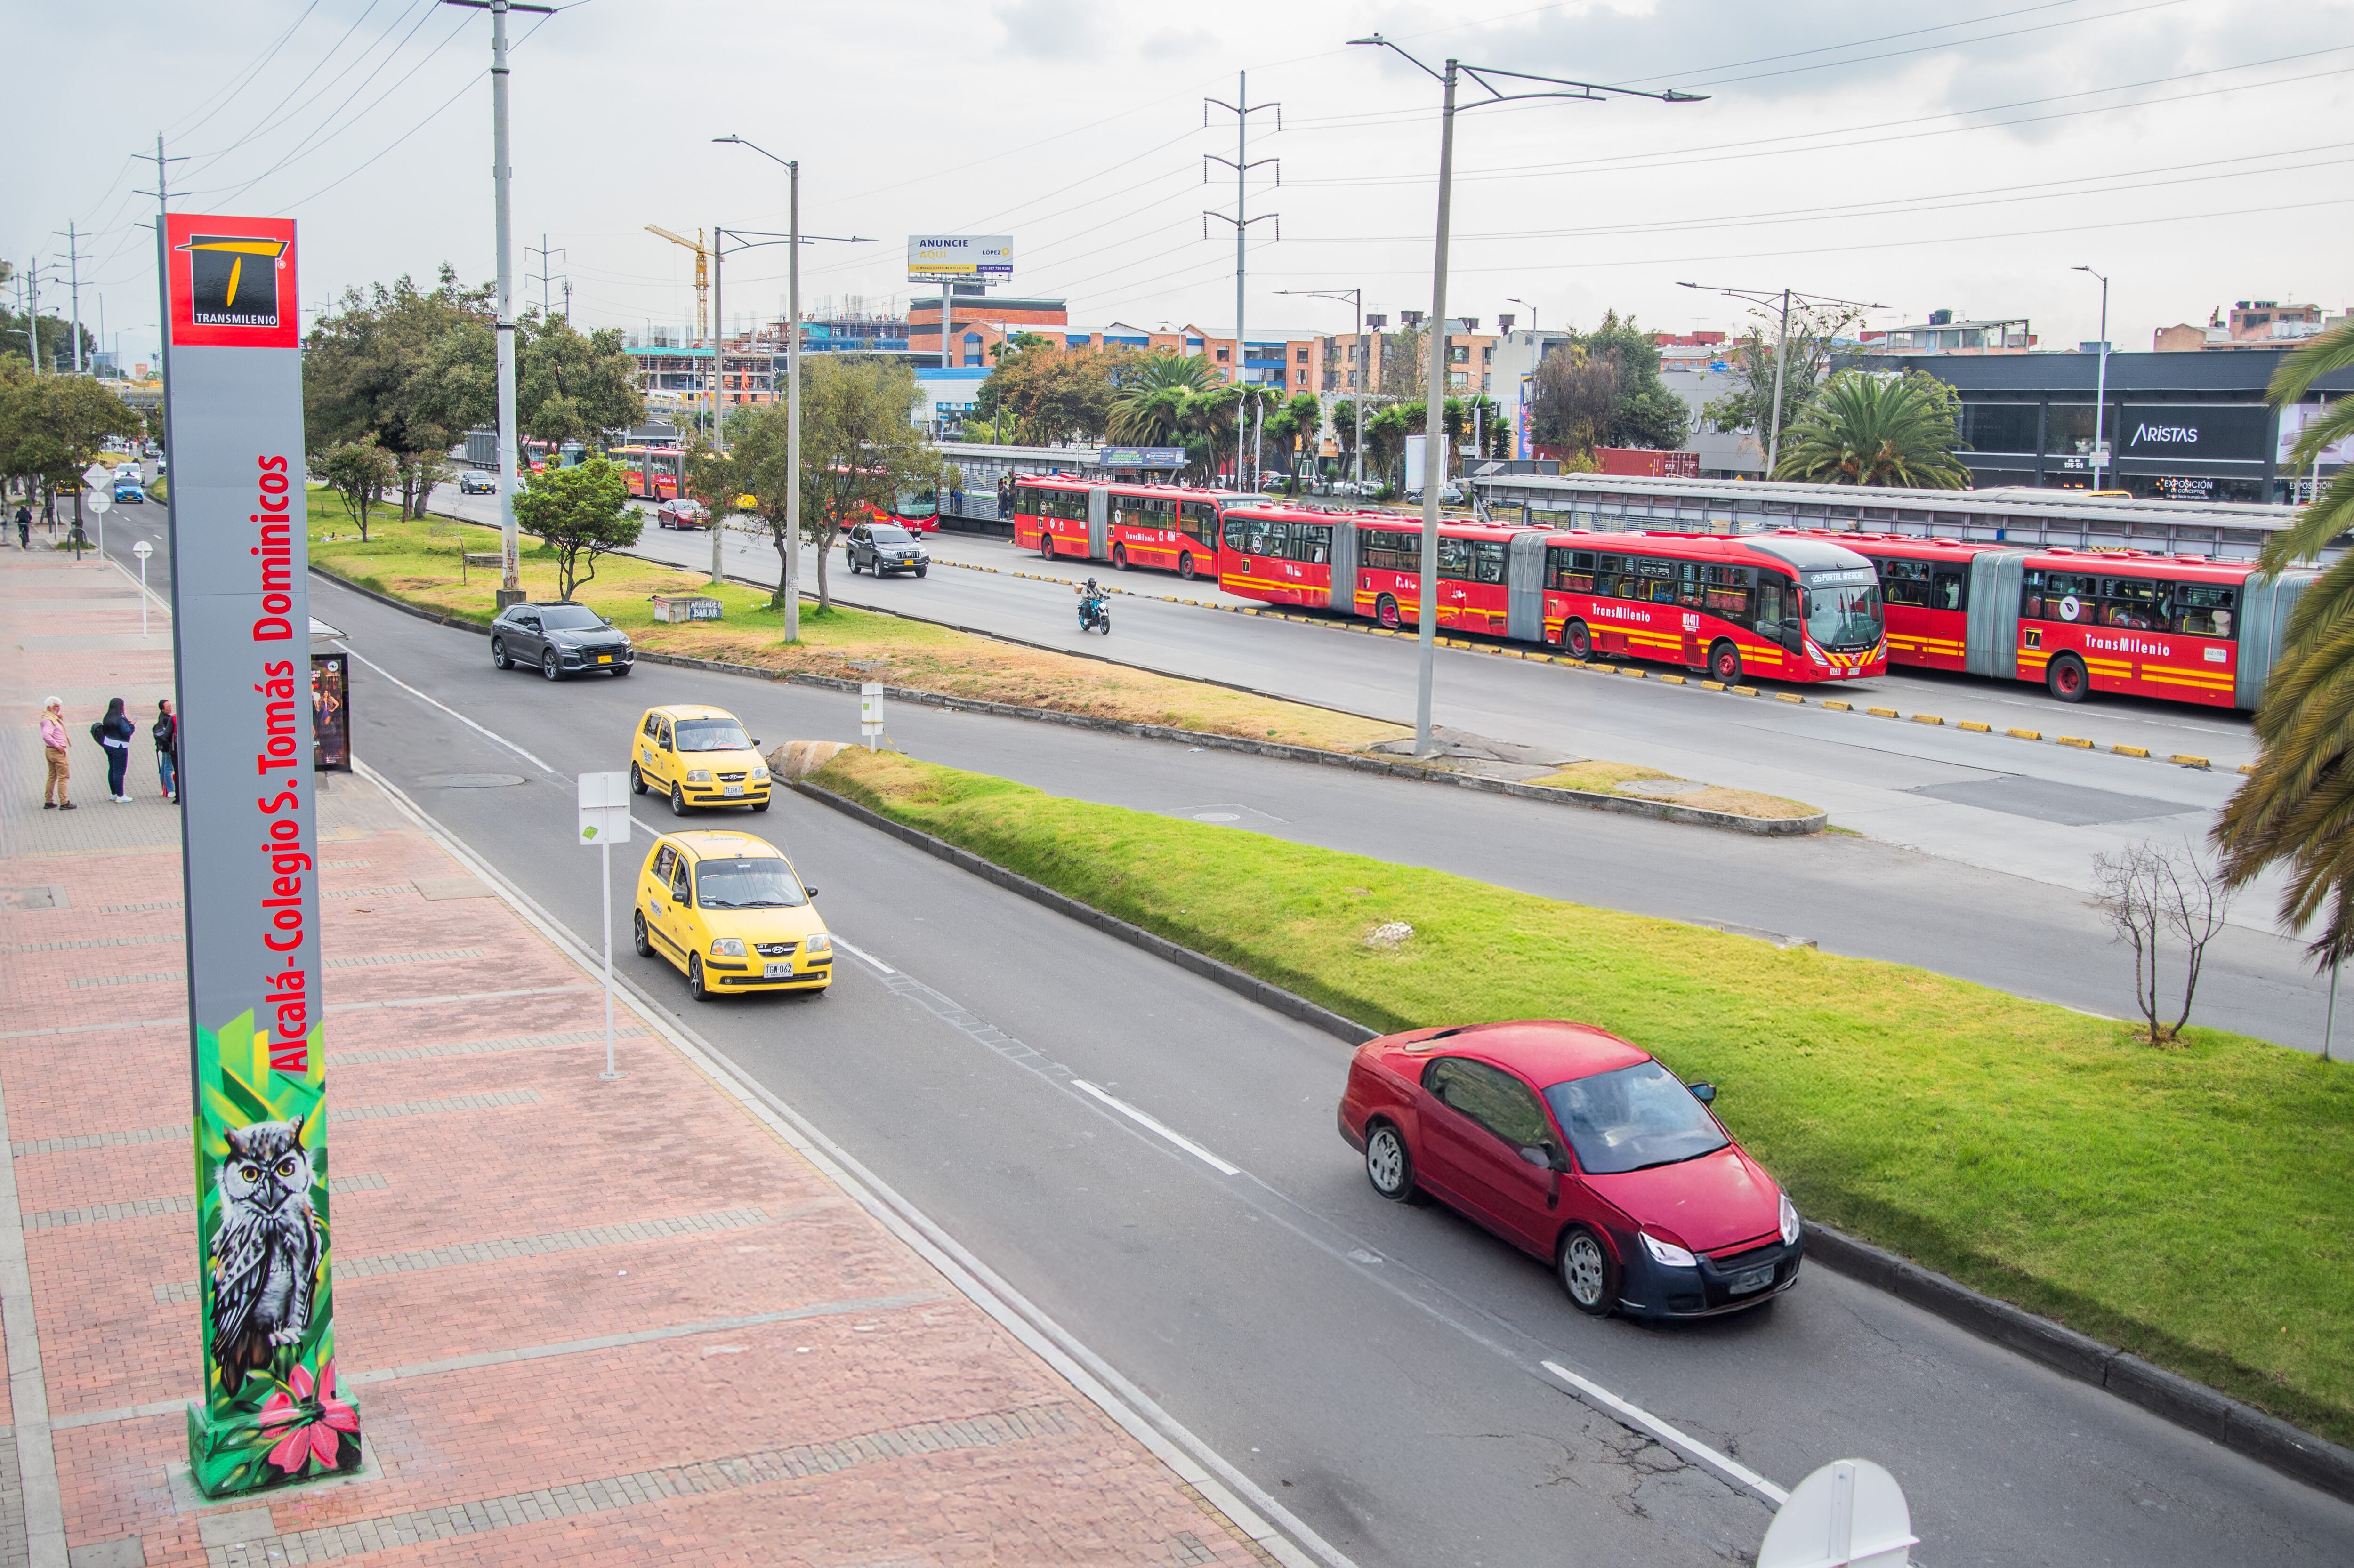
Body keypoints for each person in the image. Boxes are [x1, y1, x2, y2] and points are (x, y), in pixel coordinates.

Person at [94, 697, 136, 804]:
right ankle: (121, 795)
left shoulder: (108, 717)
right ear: (121, 707)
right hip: (119, 747)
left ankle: (114, 793)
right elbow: (127, 732)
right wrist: (132, 725)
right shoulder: (120, 719)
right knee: (119, 771)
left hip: (109, 745)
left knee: (112, 769)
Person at [39, 698, 74, 810]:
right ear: (49, 708)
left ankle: (49, 801)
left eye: (59, 706)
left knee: (52, 776)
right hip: (57, 752)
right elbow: (46, 735)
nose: (59, 709)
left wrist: (58, 718)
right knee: (63, 777)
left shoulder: (49, 717)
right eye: (56, 707)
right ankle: (64, 802)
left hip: (50, 751)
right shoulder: (50, 721)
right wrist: (58, 746)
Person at [153, 698, 179, 804]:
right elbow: (168, 734)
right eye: (167, 707)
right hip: (169, 746)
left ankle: (164, 789)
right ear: (162, 710)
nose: (170, 708)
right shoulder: (168, 719)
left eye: (170, 706)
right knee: (168, 768)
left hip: (162, 746)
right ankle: (170, 790)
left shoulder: (162, 717)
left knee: (164, 767)